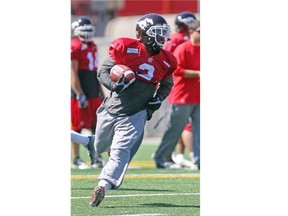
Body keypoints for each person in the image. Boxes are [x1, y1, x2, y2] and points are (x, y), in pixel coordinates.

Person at [72, 13, 177, 207]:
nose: (163, 38)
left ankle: (103, 184)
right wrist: (114, 84)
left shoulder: (167, 60)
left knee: (120, 152)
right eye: (158, 33)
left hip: (135, 113)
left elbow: (166, 84)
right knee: (100, 147)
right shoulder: (126, 48)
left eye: (164, 33)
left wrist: (158, 99)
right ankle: (90, 143)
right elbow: (102, 72)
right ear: (143, 34)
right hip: (111, 109)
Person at [153, 15, 200, 170]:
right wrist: (198, 74)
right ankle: (160, 157)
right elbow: (176, 70)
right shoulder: (183, 48)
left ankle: (199, 161)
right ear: (192, 31)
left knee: (199, 130)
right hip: (182, 96)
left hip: (198, 96)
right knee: (175, 129)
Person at [71, 16, 105, 169]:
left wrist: (100, 91)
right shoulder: (74, 46)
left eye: (89, 30)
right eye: (83, 31)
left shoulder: (93, 46)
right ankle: (77, 158)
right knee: (77, 126)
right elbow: (73, 72)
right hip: (81, 91)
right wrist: (79, 92)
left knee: (96, 125)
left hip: (93, 90)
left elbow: (95, 71)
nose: (86, 34)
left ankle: (97, 156)